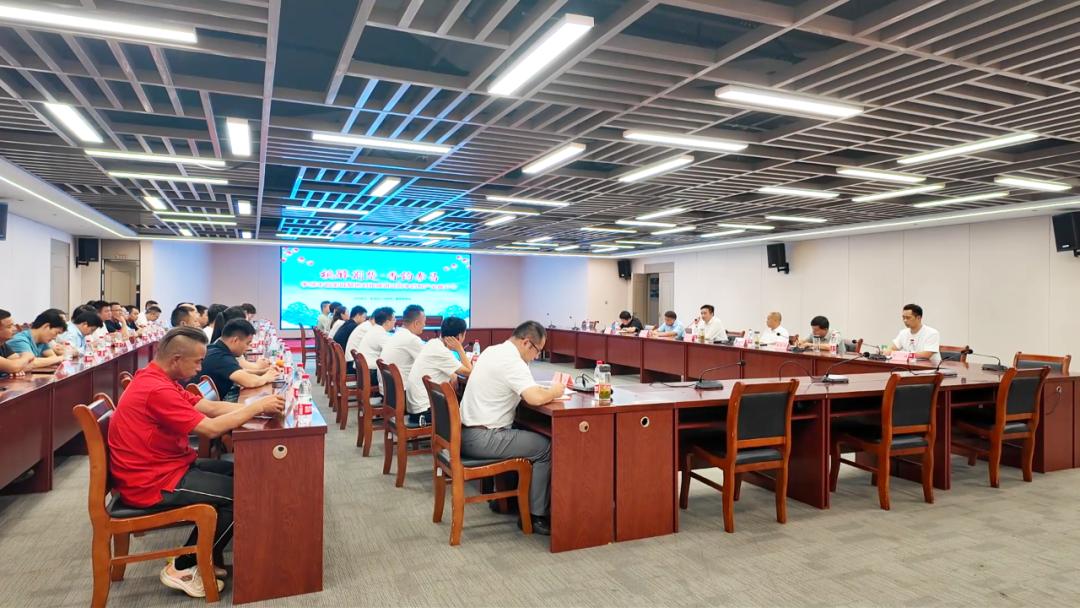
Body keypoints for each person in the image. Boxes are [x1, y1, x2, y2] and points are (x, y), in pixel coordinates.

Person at [108, 326, 285, 599]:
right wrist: (256, 407)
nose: (201, 367)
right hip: (152, 482)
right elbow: (210, 429)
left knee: (243, 473)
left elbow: (211, 408)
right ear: (176, 359)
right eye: (198, 361)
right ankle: (184, 565)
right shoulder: (156, 389)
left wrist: (260, 406)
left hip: (168, 466)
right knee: (244, 494)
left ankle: (206, 554)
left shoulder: (158, 378)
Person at [459, 321, 564, 537]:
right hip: (483, 438)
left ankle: (506, 500)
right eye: (537, 350)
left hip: (465, 433)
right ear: (526, 343)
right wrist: (555, 391)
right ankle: (535, 516)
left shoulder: (492, 350)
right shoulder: (512, 361)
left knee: (521, 429)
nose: (536, 356)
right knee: (546, 448)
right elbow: (534, 398)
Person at [405, 316, 472, 426]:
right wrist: (460, 349)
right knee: (467, 412)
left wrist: (453, 373)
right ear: (459, 337)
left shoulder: (433, 343)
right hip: (425, 412)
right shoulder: (441, 351)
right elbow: (469, 372)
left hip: (417, 408)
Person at [201, 319, 280, 402]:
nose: (247, 348)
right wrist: (266, 378)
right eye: (247, 343)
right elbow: (249, 382)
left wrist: (262, 372)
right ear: (235, 340)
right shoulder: (221, 357)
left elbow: (237, 371)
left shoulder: (214, 348)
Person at [379, 304, 425, 389]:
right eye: (424, 322)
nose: (424, 325)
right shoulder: (411, 339)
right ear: (416, 323)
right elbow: (430, 361)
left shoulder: (397, 335)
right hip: (400, 391)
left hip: (387, 390)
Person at [359, 307, 396, 385]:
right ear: (387, 322)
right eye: (394, 320)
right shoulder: (379, 334)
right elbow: (393, 351)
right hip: (371, 372)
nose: (395, 322)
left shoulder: (375, 329)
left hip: (365, 370)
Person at [0, 309, 34, 378]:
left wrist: (16, 368)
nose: (15, 329)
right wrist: (26, 356)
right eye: (10, 326)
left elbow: (31, 365)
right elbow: (14, 366)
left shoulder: (3, 345)